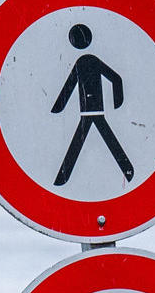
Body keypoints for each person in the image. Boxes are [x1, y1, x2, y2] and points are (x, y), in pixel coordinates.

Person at [48, 24, 134, 186]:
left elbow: (70, 85)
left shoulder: (84, 61)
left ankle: (62, 177)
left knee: (84, 140)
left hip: (90, 110)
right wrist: (117, 101)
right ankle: (128, 170)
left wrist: (58, 107)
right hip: (92, 110)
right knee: (103, 138)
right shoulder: (90, 60)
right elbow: (116, 79)